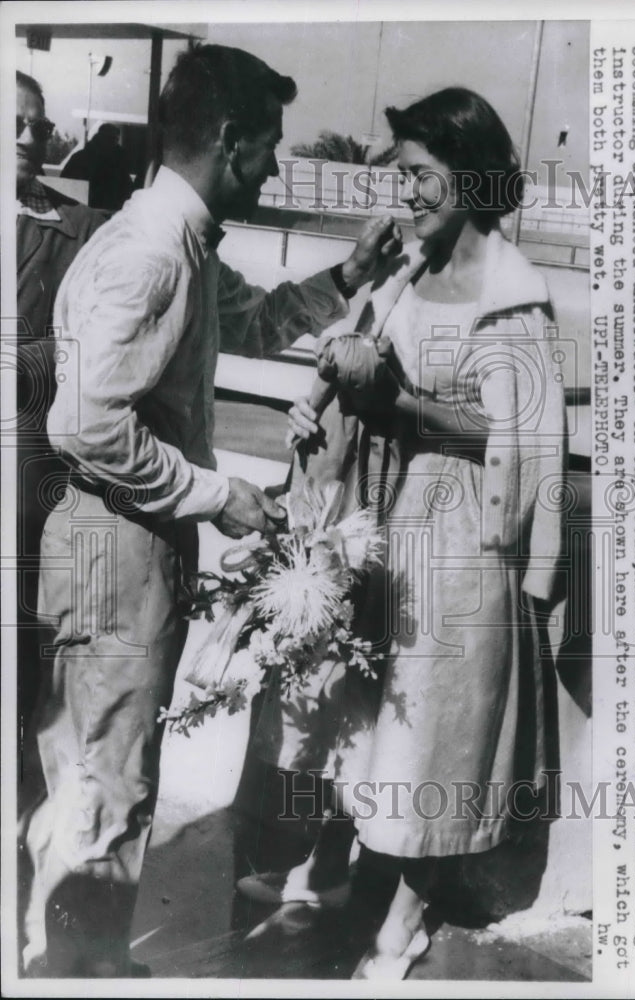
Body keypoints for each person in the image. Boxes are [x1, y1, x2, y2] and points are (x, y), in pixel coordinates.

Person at [21, 43, 400, 978]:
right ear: (230, 142)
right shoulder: (152, 251)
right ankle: (74, 971)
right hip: (116, 549)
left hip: (128, 545)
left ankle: (78, 956)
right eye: (268, 146)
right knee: (105, 783)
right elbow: (84, 423)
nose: (274, 166)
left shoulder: (174, 237)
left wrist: (346, 278)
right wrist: (214, 492)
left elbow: (257, 321)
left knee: (97, 773)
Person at [242, 87, 566, 979]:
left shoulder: (514, 298)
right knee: (356, 704)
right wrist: (318, 407)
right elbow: (351, 351)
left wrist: (404, 407)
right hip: (382, 519)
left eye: (423, 177)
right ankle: (331, 869)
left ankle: (406, 919)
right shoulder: (408, 272)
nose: (409, 194)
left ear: (472, 176)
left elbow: (524, 438)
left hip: (460, 537)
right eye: (404, 176)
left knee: (431, 731)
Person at [15, 70, 107, 807]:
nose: (25, 138)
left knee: (23, 635)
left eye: (37, 127)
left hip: (27, 469)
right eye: (12, 123)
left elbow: (83, 346)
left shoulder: (78, 228)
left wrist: (22, 363)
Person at [61, 123, 134, 212]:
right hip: (83, 211)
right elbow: (65, 185)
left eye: (115, 139)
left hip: (108, 213)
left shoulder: (118, 162)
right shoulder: (80, 158)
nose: (112, 143)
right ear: (100, 138)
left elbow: (127, 190)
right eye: (109, 138)